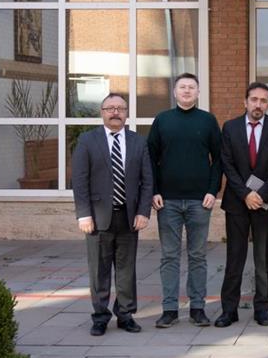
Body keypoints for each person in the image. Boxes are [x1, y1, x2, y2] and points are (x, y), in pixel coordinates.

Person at [72, 93, 153, 336]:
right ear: (102, 112)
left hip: (128, 217)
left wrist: (143, 211)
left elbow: (147, 180)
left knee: (127, 270)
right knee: (99, 270)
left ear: (126, 113)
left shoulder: (138, 142)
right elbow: (80, 180)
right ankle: (100, 317)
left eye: (120, 108)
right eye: (110, 108)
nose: (115, 112)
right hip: (98, 218)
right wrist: (83, 215)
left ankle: (125, 315)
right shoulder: (87, 140)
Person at [148, 73, 222, 328]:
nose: (187, 90)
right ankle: (169, 309)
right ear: (175, 92)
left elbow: (219, 159)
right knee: (169, 256)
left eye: (192, 87)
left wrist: (213, 190)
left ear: (198, 92)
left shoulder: (208, 120)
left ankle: (197, 308)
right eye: (182, 87)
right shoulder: (162, 120)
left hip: (199, 201)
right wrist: (154, 191)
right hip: (167, 201)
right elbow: (150, 158)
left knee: (198, 256)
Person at [216, 82, 268, 327]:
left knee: (263, 259)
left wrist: (262, 194)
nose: (258, 104)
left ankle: (262, 309)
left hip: (265, 204)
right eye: (254, 99)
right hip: (237, 203)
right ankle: (229, 310)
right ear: (245, 102)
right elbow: (227, 163)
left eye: (263, 101)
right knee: (234, 257)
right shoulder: (230, 127)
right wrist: (246, 193)